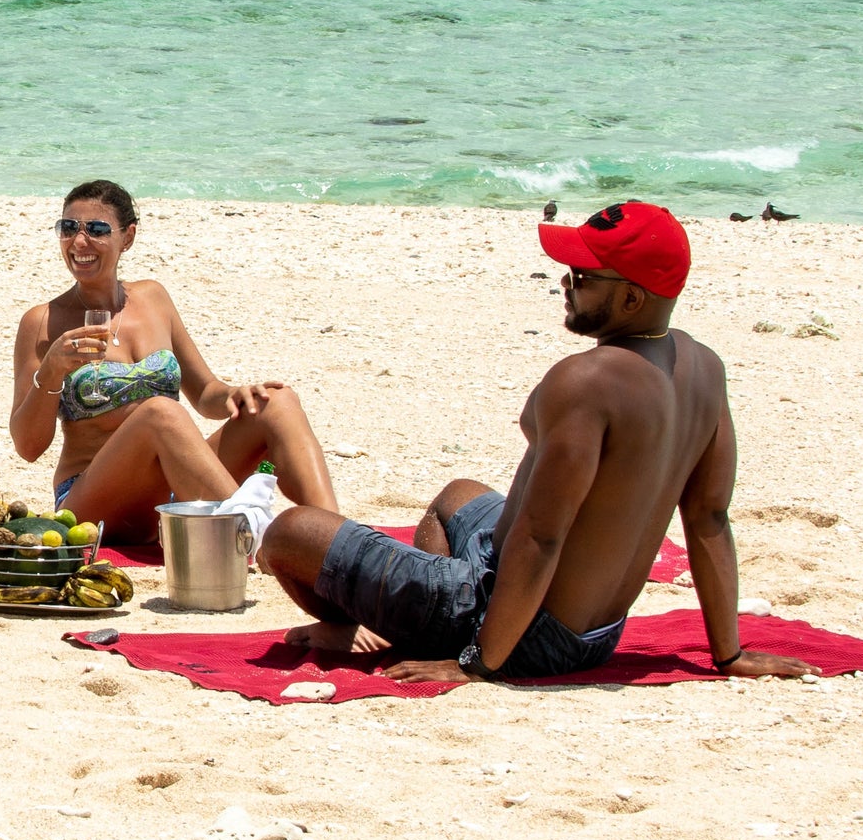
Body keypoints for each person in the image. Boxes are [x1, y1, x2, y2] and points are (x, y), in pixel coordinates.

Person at [254, 199, 809, 682]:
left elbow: (542, 536)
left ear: (634, 299)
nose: (566, 283)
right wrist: (728, 652)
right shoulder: (704, 368)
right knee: (459, 494)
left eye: (583, 276)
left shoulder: (588, 381)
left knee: (289, 530)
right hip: (597, 632)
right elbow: (709, 518)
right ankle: (425, 615)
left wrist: (479, 663)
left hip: (523, 631)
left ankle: (398, 626)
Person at [8, 179, 334, 543]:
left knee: (278, 402)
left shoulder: (153, 298)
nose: (79, 242)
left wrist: (235, 395)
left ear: (127, 237)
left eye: (96, 229)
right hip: (92, 500)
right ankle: (257, 533)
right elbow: (28, 447)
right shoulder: (42, 322)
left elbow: (206, 392)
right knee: (160, 412)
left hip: (173, 490)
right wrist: (51, 370)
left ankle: (336, 542)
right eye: (68, 228)